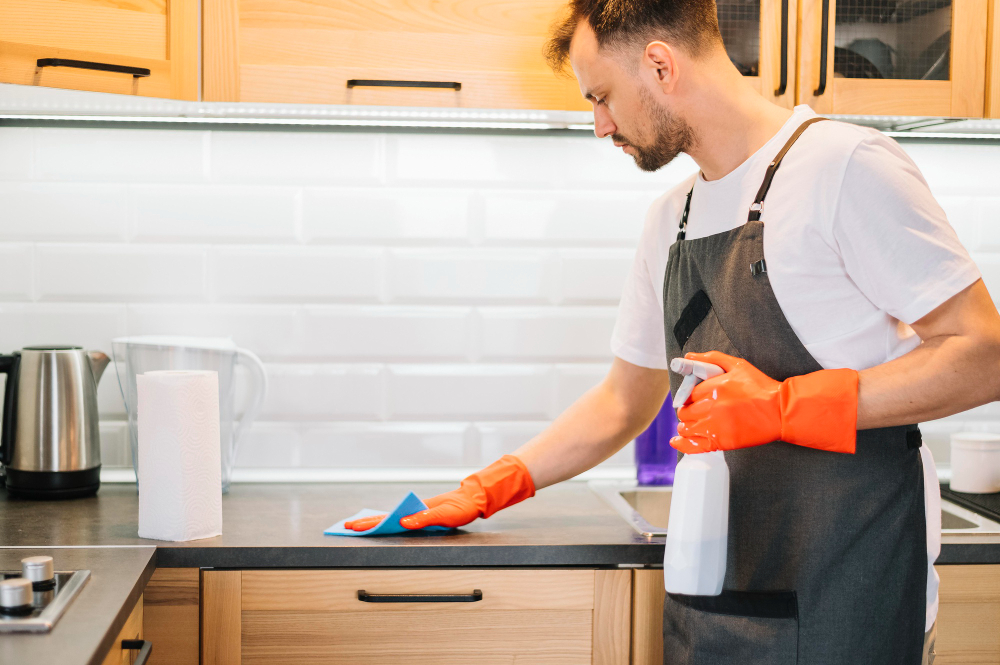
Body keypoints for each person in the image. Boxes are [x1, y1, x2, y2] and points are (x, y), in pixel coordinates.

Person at [346, 1, 1000, 661]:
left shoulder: (844, 166)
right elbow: (623, 401)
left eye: (602, 96)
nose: (600, 125)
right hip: (715, 603)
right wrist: (485, 489)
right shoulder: (672, 217)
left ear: (660, 65)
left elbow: (982, 353)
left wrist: (784, 406)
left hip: (849, 601)